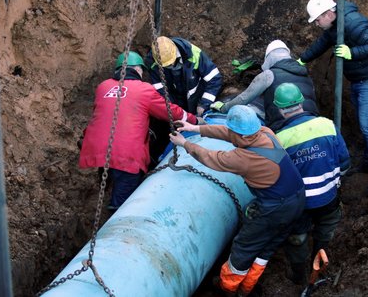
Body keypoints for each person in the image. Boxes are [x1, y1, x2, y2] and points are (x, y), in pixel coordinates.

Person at [169, 105, 306, 297]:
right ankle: (248, 287)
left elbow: (211, 157)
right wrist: (194, 128)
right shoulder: (264, 132)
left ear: (239, 134)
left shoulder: (244, 158)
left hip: (276, 209)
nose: (229, 132)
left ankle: (228, 288)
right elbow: (228, 133)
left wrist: (185, 144)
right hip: (297, 198)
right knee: (266, 247)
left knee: (243, 247)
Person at [78, 51, 200, 211]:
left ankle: (109, 188)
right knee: (123, 200)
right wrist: (195, 120)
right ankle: (116, 219)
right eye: (142, 70)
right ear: (137, 69)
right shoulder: (144, 90)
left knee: (113, 172)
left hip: (98, 148)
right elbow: (171, 112)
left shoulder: (103, 87)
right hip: (127, 154)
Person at [298, 0, 368, 197]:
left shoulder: (353, 22)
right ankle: (367, 161)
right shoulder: (333, 27)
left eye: (317, 20)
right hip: (359, 79)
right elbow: (321, 44)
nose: (316, 23)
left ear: (328, 14)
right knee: (363, 124)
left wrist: (351, 52)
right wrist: (301, 60)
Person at [272, 83, 350, 286]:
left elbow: (276, 178)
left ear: (280, 109)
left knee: (297, 238)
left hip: (300, 205)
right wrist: (332, 182)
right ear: (301, 102)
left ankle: (299, 276)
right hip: (329, 198)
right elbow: (345, 162)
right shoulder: (327, 124)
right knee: (325, 230)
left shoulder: (279, 139)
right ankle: (319, 265)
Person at [210, 39, 319, 132]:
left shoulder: (268, 75)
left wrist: (224, 108)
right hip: (314, 124)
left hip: (285, 127)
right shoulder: (305, 75)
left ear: (269, 58)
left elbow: (244, 98)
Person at [147, 36, 223, 117]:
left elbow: (214, 79)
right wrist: (176, 112)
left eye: (172, 61)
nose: (171, 65)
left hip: (197, 98)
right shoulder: (153, 64)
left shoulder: (193, 53)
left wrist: (204, 104)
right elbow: (161, 92)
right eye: (167, 65)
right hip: (177, 101)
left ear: (175, 51)